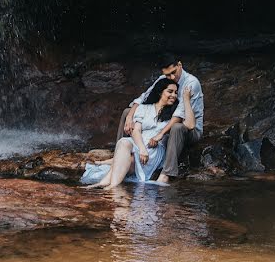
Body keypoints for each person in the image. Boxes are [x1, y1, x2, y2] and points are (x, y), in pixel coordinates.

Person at [81, 78, 183, 189]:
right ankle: (110, 184)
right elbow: (136, 130)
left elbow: (190, 125)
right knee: (124, 142)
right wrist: (142, 149)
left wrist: (186, 99)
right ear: (160, 92)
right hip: (139, 143)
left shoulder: (174, 113)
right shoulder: (143, 108)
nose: (174, 95)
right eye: (170, 91)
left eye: (176, 92)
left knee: (131, 159)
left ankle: (107, 183)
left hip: (154, 149)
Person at [124, 53, 204, 183]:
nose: (172, 77)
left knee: (177, 128)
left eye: (173, 72)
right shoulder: (164, 78)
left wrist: (160, 134)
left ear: (180, 65)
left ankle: (166, 173)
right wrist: (129, 116)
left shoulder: (191, 83)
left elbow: (180, 115)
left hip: (189, 128)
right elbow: (144, 97)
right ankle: (121, 154)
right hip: (167, 120)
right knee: (127, 111)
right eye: (167, 75)